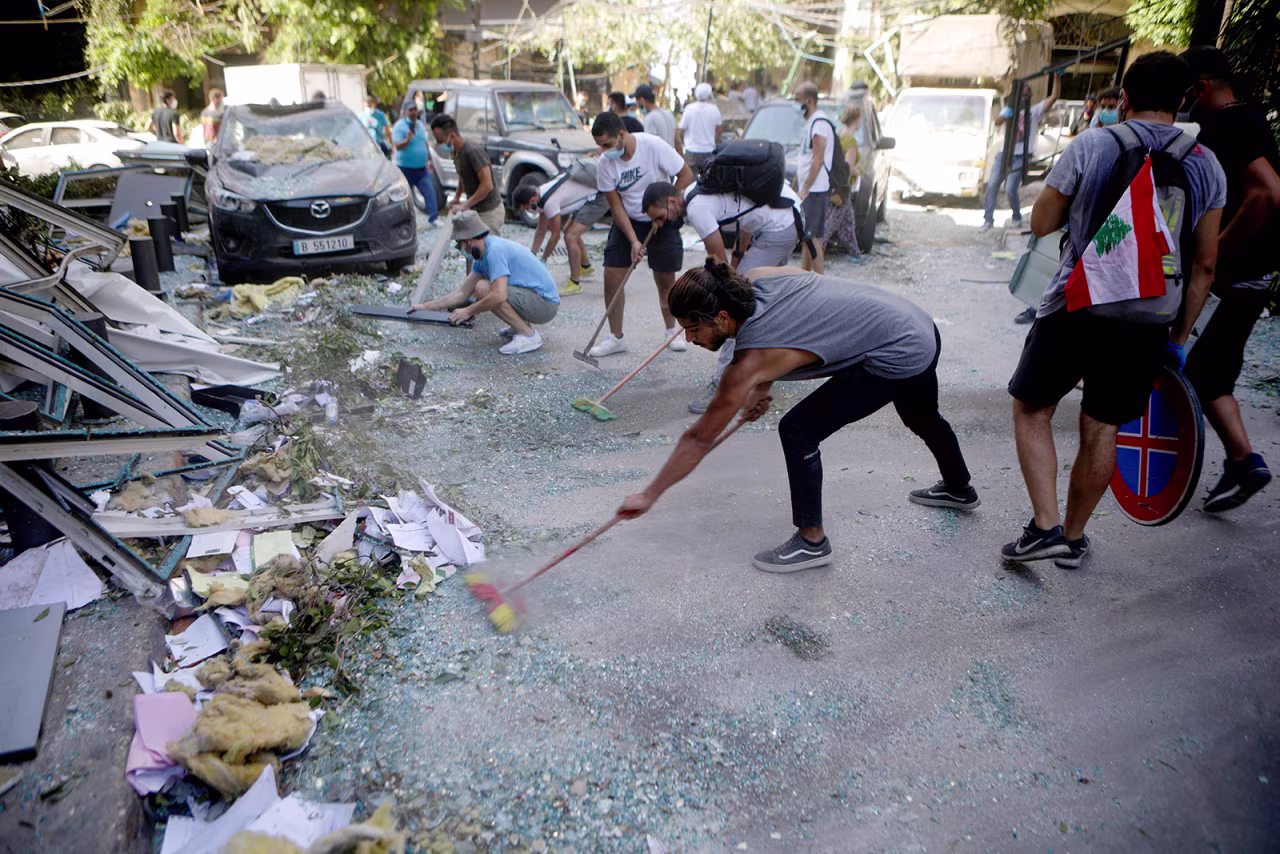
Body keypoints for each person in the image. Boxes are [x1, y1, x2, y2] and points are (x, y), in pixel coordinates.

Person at [1004, 51, 1226, 570]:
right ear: (1184, 99)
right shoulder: (1205, 164)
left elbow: (1040, 224)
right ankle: (1074, 538)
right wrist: (1179, 336)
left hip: (1076, 305)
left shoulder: (1092, 145)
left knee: (1032, 409)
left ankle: (1044, 526)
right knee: (1102, 427)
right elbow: (1206, 265)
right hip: (1149, 319)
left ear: (1123, 98)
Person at [617, 261, 979, 572]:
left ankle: (811, 541)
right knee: (921, 415)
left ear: (723, 318)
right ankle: (959, 488)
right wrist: (762, 386)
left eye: (693, 329)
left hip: (897, 351)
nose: (690, 338)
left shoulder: (748, 364)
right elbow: (799, 312)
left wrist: (649, 495)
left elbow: (698, 438)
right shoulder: (756, 279)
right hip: (916, 325)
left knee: (798, 429)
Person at [1179, 45, 1280, 512]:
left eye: (1186, 92)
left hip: (1232, 277)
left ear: (1201, 88)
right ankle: (1242, 462)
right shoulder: (1252, 118)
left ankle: (1242, 458)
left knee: (1196, 371)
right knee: (1212, 373)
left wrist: (1216, 246)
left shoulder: (1227, 125)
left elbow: (1266, 192)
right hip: (1252, 275)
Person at [643, 179, 821, 413]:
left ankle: (725, 386)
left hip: (778, 226)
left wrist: (704, 301)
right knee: (752, 297)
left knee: (732, 309)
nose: (661, 223)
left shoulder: (697, 207)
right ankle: (759, 369)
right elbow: (747, 215)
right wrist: (739, 252)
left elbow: (717, 263)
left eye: (660, 216)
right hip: (786, 216)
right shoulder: (704, 186)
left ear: (671, 201)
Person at [588, 111, 694, 358]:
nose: (603, 151)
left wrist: (667, 207)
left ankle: (671, 331)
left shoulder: (653, 146)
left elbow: (686, 173)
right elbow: (615, 205)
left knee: (665, 278)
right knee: (612, 274)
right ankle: (616, 338)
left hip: (662, 217)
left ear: (621, 134)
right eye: (599, 146)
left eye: (606, 144)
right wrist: (634, 240)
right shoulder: (605, 164)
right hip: (629, 220)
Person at [409, 211, 559, 355]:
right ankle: (519, 326)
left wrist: (468, 311)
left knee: (484, 289)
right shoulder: (481, 255)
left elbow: (499, 295)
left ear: (469, 240)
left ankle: (529, 335)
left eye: (459, 244)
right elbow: (462, 292)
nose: (460, 249)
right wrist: (425, 307)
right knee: (483, 287)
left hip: (545, 305)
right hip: (534, 298)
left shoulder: (495, 250)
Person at [981, 73, 1060, 231]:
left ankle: (1016, 217)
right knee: (992, 186)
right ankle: (988, 220)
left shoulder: (1034, 111)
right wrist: (1005, 115)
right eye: (1024, 89)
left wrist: (1057, 78)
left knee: (1010, 189)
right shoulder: (1010, 109)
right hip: (1005, 154)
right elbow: (997, 121)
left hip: (1020, 156)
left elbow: (1054, 97)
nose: (1026, 92)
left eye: (1028, 90)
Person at [513, 170, 599, 296]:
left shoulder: (549, 202)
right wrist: (532, 255)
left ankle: (575, 283)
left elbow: (555, 235)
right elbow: (541, 229)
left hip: (597, 196)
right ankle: (585, 268)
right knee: (569, 232)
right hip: (585, 196)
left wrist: (543, 259)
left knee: (570, 236)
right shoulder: (540, 193)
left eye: (527, 208)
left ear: (532, 200)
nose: (529, 211)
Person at [430, 113, 504, 237]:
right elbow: (462, 175)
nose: (439, 144)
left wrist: (464, 205)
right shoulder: (456, 152)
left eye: (440, 141)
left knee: (488, 249)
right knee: (473, 247)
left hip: (489, 211)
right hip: (476, 209)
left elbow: (487, 185)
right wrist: (457, 197)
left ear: (452, 136)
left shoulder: (473, 151)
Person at [793, 82, 834, 265]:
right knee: (807, 237)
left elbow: (818, 159)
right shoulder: (810, 123)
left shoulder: (819, 124)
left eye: (797, 99)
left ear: (809, 101)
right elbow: (806, 158)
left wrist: (806, 188)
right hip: (809, 190)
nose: (795, 104)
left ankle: (820, 281)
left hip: (815, 190)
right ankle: (805, 277)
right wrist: (796, 185)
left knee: (813, 238)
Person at [821, 104, 864, 258]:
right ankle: (818, 251)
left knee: (848, 221)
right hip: (843, 188)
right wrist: (859, 169)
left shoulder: (838, 136)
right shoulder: (851, 142)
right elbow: (848, 167)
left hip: (835, 185)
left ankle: (855, 252)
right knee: (831, 223)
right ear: (857, 120)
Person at [392, 99, 439, 227]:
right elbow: (397, 146)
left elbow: (424, 143)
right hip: (405, 168)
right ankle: (403, 223)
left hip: (421, 168)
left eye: (414, 110)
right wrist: (407, 140)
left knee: (429, 191)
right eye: (410, 110)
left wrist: (429, 160)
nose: (413, 112)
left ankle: (433, 218)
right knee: (404, 197)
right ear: (405, 112)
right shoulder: (399, 126)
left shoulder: (419, 124)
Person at [677, 83, 721, 176]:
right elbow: (718, 130)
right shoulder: (714, 109)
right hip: (708, 151)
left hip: (691, 152)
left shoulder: (689, 109)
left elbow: (681, 130)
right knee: (707, 183)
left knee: (691, 182)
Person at [635, 84, 676, 149]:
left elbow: (650, 146)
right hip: (671, 157)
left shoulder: (650, 118)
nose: (637, 105)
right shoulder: (669, 114)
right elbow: (677, 141)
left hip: (659, 158)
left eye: (637, 101)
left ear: (642, 100)